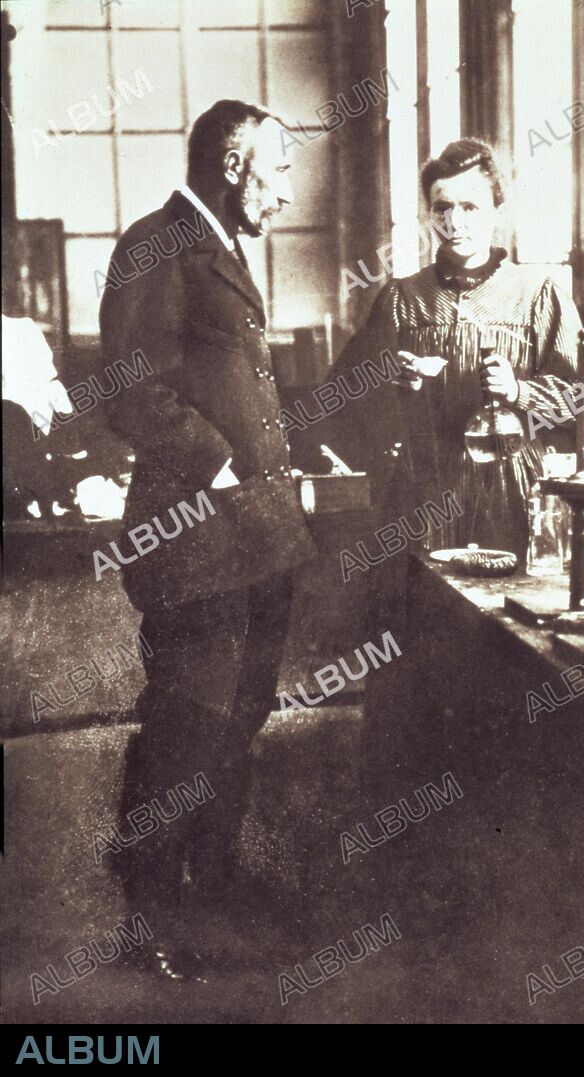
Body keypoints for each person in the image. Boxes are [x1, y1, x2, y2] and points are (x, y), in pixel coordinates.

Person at [99, 100, 317, 982]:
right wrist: (223, 465)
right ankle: (148, 912)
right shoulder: (155, 245)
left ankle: (214, 878)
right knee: (185, 724)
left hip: (257, 537)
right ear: (233, 166)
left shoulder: (219, 246)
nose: (287, 191)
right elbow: (129, 390)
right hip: (192, 541)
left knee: (242, 713)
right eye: (279, 169)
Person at [328, 138, 584, 560]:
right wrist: (393, 383)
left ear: (497, 213)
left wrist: (518, 390)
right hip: (422, 495)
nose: (454, 222)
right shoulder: (401, 298)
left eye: (470, 207)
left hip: (512, 496)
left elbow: (580, 399)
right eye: (442, 208)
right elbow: (345, 399)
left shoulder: (539, 295)